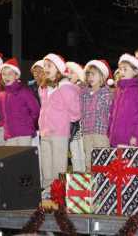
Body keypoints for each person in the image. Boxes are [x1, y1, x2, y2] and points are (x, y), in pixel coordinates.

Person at [38, 54, 81, 193]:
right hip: (45, 130)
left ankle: (59, 192)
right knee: (46, 163)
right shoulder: (44, 87)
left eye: (49, 66)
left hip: (59, 132)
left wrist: (66, 121)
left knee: (58, 164)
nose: (46, 68)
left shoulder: (65, 87)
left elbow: (75, 110)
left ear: (58, 68)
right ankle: (46, 189)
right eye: (44, 66)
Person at [108, 54, 138, 148]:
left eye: (125, 69)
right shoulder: (119, 90)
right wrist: (109, 133)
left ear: (136, 71)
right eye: (120, 69)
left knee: (130, 163)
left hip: (130, 140)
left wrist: (136, 136)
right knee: (116, 163)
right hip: (115, 139)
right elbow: (112, 114)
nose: (121, 72)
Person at [0, 58, 40, 146]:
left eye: (10, 74)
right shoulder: (1, 95)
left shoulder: (24, 91)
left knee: (23, 158)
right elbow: (2, 115)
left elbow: (36, 110)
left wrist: (28, 123)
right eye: (4, 74)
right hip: (9, 134)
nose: (6, 77)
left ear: (16, 76)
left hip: (24, 133)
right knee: (11, 158)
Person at [81, 59, 113, 172]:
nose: (90, 77)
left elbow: (111, 114)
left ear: (102, 76)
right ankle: (91, 187)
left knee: (103, 162)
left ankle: (104, 187)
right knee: (89, 162)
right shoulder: (84, 93)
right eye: (88, 74)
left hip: (101, 133)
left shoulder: (107, 94)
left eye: (93, 74)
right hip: (86, 133)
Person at [65, 61, 86, 172]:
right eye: (68, 73)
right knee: (74, 153)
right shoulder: (66, 88)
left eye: (72, 73)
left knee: (82, 152)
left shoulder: (83, 88)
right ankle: (78, 181)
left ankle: (85, 179)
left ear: (79, 74)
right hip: (72, 125)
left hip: (81, 125)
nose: (69, 75)